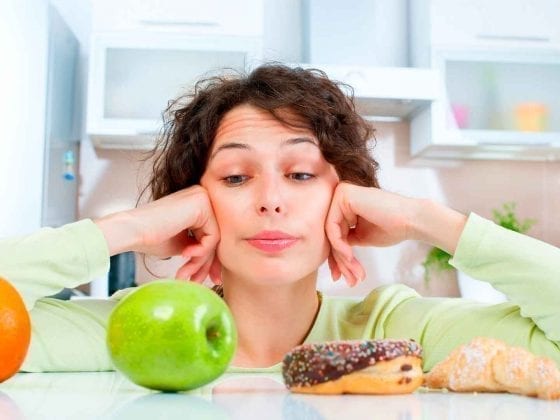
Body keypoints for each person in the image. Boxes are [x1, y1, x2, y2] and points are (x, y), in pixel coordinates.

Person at [1, 64, 559, 374]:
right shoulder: (137, 332)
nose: (271, 201)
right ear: (195, 204)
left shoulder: (395, 330)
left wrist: (424, 218)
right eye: (236, 177)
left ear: (348, 203)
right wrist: (125, 229)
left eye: (301, 174)